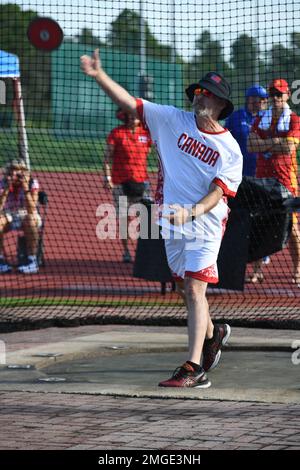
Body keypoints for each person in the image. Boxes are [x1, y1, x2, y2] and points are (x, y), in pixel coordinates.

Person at [81, 49, 243, 388]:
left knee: (196, 289)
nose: (200, 96)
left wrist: (193, 211)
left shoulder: (230, 149)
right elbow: (131, 104)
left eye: (207, 93)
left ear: (220, 104)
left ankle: (193, 368)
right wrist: (99, 76)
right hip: (171, 220)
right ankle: (214, 336)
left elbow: (218, 193)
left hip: (206, 223)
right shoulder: (171, 119)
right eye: (198, 91)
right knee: (186, 289)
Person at [248, 78, 300, 285]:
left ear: (287, 95)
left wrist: (265, 144)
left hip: (286, 179)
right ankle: (257, 271)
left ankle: (297, 270)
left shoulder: (295, 119)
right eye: (272, 94)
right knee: (259, 225)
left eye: (279, 94)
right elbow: (251, 145)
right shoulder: (261, 118)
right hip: (262, 179)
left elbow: (289, 148)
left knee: (293, 227)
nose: (275, 98)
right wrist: (277, 142)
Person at [226, 85, 270, 282]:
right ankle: (236, 267)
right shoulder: (236, 117)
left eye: (261, 99)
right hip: (238, 179)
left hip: (262, 178)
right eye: (254, 98)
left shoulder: (269, 119)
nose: (257, 102)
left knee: (260, 223)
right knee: (238, 222)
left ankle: (257, 270)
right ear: (247, 99)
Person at [103, 108, 152, 263]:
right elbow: (107, 158)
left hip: (141, 182)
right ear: (124, 117)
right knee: (124, 218)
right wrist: (108, 178)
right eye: (129, 116)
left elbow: (148, 153)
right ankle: (126, 251)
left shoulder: (146, 134)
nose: (132, 119)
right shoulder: (117, 133)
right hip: (120, 182)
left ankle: (142, 249)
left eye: (135, 117)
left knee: (144, 218)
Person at [0, 159, 41, 274]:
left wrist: (26, 187)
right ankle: (0, 260)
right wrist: (7, 189)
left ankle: (32, 261)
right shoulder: (2, 183)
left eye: (18, 172)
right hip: (8, 214)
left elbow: (32, 209)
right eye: (13, 172)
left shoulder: (32, 182)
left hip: (27, 214)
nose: (15, 175)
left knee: (31, 219)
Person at [225, 85, 268, 176]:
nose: (265, 101)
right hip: (238, 169)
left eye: (265, 98)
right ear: (250, 99)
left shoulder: (267, 118)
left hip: (260, 170)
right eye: (261, 98)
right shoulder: (237, 116)